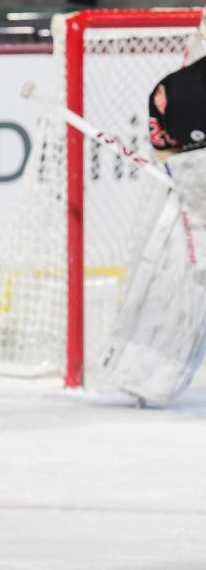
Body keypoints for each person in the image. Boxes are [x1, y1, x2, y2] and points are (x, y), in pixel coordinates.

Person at [98, 52, 206, 405]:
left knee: (184, 281)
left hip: (192, 185)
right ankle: (147, 375)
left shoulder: (167, 88)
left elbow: (167, 151)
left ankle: (146, 376)